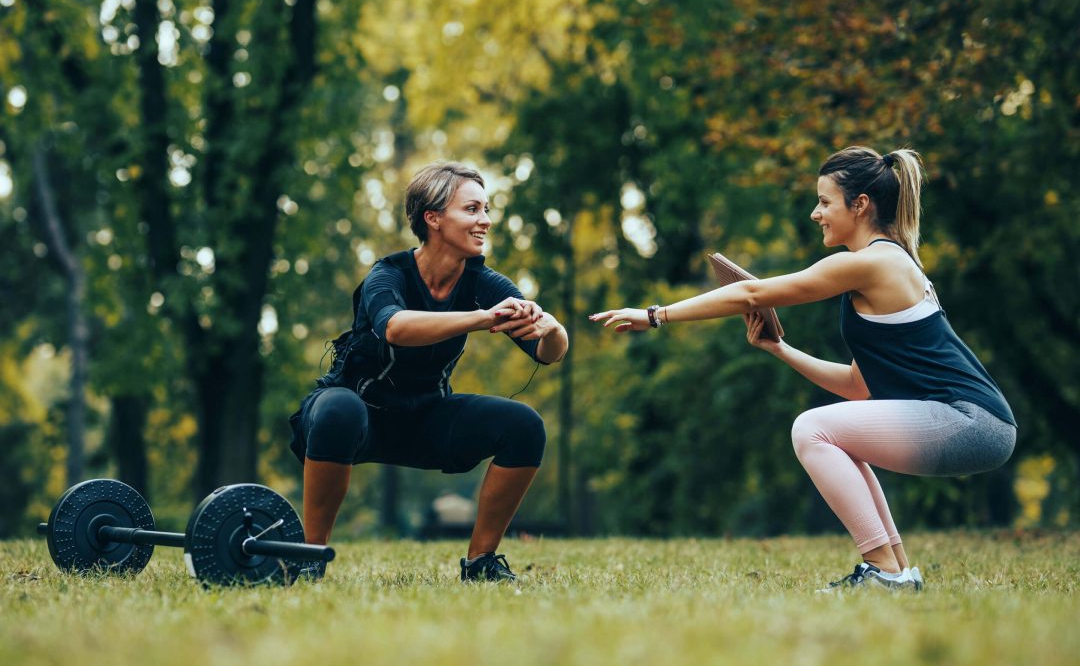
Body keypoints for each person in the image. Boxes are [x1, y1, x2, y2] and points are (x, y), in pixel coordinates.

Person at [590, 146, 1016, 592]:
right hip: (973, 422)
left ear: (861, 205)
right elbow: (857, 386)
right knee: (831, 433)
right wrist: (779, 349)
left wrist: (656, 315)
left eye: (825, 202)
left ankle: (884, 571)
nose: (816, 214)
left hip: (972, 421)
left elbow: (753, 295)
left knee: (811, 428)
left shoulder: (872, 263)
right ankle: (897, 573)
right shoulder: (881, 267)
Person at [290, 161, 568, 582]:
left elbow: (547, 354)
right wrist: (479, 319)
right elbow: (396, 328)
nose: (486, 221)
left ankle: (480, 563)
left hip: (425, 418)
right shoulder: (388, 274)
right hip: (357, 414)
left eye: (486, 209)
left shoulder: (484, 282)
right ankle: (310, 556)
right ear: (433, 218)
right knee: (336, 409)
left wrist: (553, 329)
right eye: (472, 209)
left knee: (525, 426)